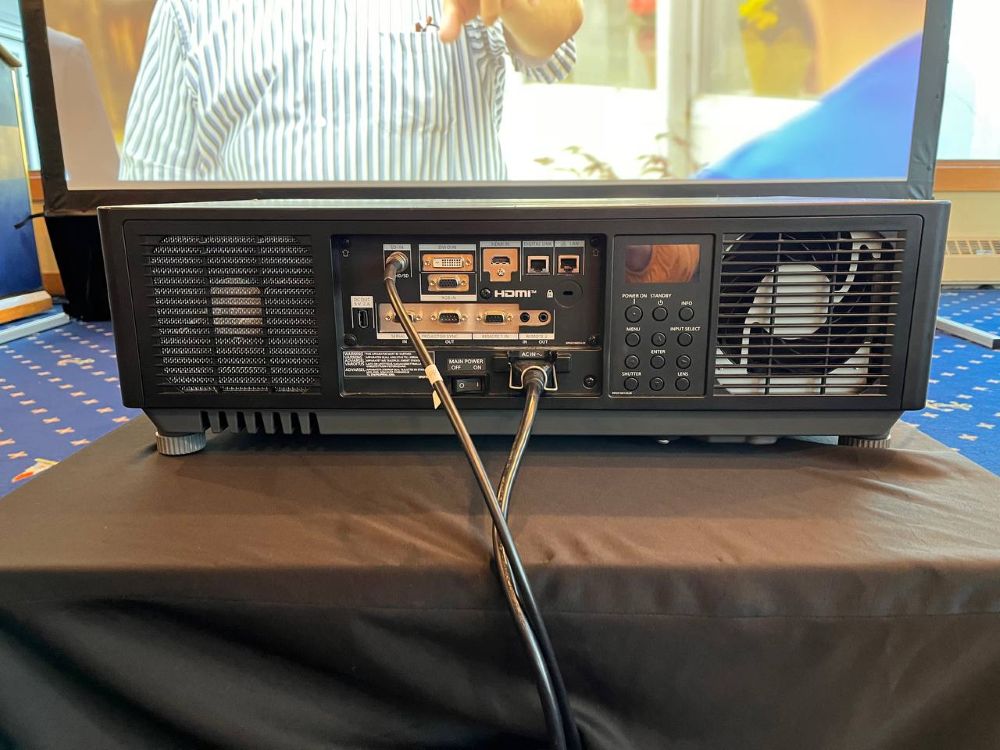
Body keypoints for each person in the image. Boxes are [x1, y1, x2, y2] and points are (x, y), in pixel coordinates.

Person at [119, 0, 582, 182]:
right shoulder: (192, 7)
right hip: (271, 338)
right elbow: (152, 189)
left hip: (458, 327)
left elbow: (556, 37)